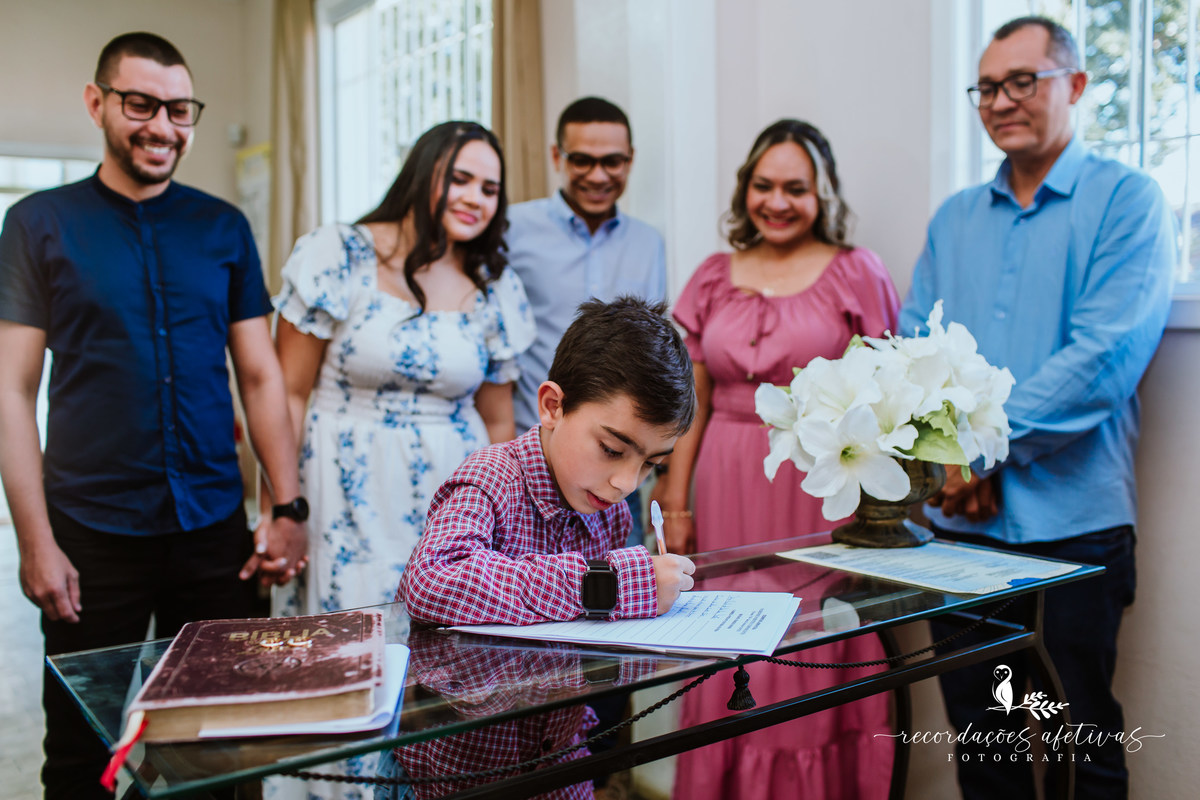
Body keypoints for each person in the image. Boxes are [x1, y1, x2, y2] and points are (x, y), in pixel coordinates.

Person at [0, 32, 304, 800]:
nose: (161, 126)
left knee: (223, 744)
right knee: (82, 752)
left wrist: (286, 505)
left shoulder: (222, 227)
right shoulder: (39, 224)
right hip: (89, 531)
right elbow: (10, 385)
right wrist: (35, 543)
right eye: (141, 104)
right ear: (98, 103)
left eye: (178, 109)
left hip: (210, 529)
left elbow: (261, 375)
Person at [901, 17, 1175, 800]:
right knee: (981, 743)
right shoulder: (953, 218)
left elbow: (1103, 359)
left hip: (1073, 526)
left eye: (1023, 80)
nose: (1000, 100)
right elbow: (915, 353)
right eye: (987, 86)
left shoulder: (1129, 201)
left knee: (1078, 740)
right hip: (957, 531)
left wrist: (978, 451)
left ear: (1077, 86)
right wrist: (953, 461)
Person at [264, 121, 534, 800]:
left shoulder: (494, 287)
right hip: (343, 500)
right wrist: (280, 505)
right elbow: (287, 394)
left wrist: (508, 530)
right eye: (461, 177)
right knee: (348, 669)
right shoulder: (339, 254)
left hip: (451, 508)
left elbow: (500, 421)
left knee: (435, 679)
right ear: (423, 172)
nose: (476, 197)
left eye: (491, 188)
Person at [651, 119, 899, 799]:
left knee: (805, 640)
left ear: (823, 194)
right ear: (745, 189)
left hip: (816, 481)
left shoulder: (858, 272)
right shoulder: (711, 275)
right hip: (724, 476)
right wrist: (676, 505)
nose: (778, 201)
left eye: (796, 187)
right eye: (764, 185)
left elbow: (880, 403)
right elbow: (689, 402)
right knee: (727, 635)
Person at [400, 295, 696, 629]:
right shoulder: (491, 479)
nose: (626, 484)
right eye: (611, 449)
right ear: (553, 406)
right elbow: (429, 582)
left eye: (650, 464)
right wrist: (606, 587)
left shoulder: (609, 510)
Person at [506, 96, 666, 544]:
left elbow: (653, 359)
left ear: (630, 161)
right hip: (532, 468)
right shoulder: (510, 229)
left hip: (619, 467)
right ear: (557, 157)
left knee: (621, 600)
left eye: (612, 161)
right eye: (582, 160)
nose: (598, 175)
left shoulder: (649, 243)